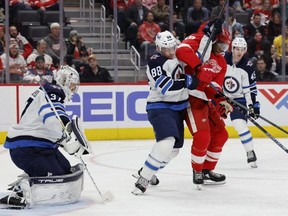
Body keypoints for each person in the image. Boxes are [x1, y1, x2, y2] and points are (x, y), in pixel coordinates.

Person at [0, 65, 92, 208]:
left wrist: (65, 140)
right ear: (64, 81)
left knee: (65, 169)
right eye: (72, 85)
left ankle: (31, 178)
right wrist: (67, 136)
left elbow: (50, 125)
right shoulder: (54, 91)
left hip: (36, 146)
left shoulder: (47, 91)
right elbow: (52, 117)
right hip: (28, 148)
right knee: (56, 175)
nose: (73, 89)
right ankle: (20, 192)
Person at [132, 30, 199, 195]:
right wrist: (186, 81)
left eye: (172, 48)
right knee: (167, 142)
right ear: (158, 48)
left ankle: (146, 171)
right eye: (166, 49)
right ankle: (143, 180)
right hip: (160, 106)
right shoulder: (156, 61)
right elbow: (165, 88)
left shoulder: (178, 55)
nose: (170, 52)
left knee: (174, 149)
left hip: (178, 108)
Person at [176, 19, 233, 188]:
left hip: (205, 99)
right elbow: (181, 51)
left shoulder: (221, 62)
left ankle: (207, 169)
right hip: (191, 98)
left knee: (221, 134)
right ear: (214, 39)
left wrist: (222, 101)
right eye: (221, 45)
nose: (223, 50)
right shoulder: (200, 41)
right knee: (203, 135)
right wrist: (198, 64)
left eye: (225, 47)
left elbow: (216, 85)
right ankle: (198, 170)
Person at [223, 37, 260, 168]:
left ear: (245, 50)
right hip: (220, 98)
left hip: (238, 99)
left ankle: (250, 151)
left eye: (242, 49)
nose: (239, 52)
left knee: (240, 125)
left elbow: (250, 89)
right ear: (232, 49)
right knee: (212, 125)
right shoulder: (222, 58)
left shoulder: (247, 66)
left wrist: (252, 105)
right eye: (237, 49)